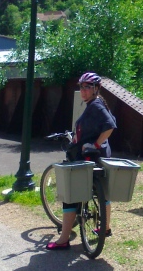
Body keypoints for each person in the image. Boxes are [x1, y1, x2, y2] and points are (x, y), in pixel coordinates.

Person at [46, 72, 117, 250]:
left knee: (70, 195)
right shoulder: (98, 104)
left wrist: (94, 144)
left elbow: (110, 126)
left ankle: (63, 240)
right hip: (100, 157)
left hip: (89, 158)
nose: (83, 91)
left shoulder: (96, 106)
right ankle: (105, 227)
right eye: (81, 87)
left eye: (87, 87)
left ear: (96, 89)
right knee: (103, 193)